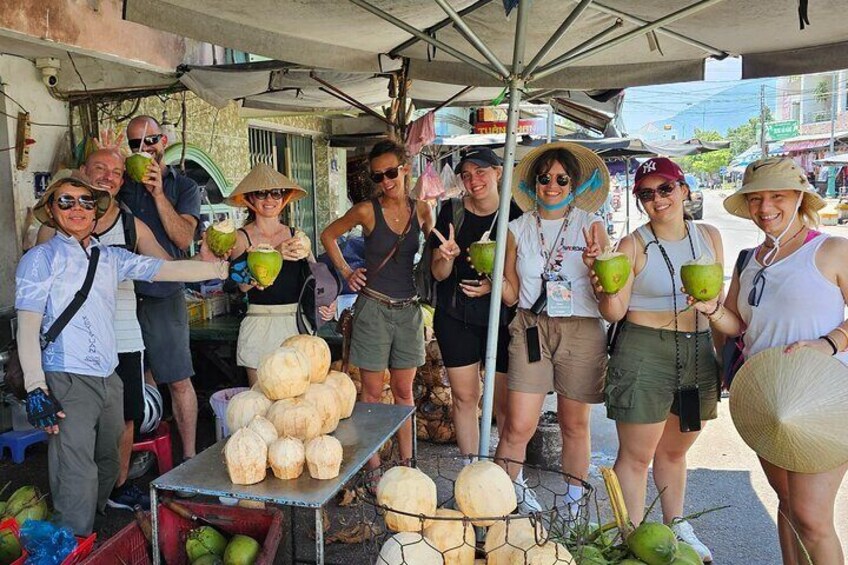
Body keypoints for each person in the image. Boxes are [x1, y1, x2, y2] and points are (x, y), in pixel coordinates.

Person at [15, 170, 227, 536]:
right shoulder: (40, 259)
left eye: (86, 202)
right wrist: (37, 388)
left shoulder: (110, 257)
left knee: (109, 460)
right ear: (51, 209)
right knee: (75, 466)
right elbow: (28, 327)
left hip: (108, 375)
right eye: (66, 201)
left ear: (97, 212)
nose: (77, 209)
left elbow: (164, 269)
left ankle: (89, 525)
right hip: (66, 374)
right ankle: (74, 537)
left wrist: (216, 267)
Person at [700, 157, 847, 565]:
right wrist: (712, 308)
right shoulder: (749, 259)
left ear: (800, 197)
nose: (765, 208)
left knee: (813, 519)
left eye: (777, 196)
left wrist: (829, 343)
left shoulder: (832, 250)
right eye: (756, 199)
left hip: (823, 400)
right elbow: (735, 324)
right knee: (786, 504)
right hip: (768, 398)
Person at [593, 158, 722, 562]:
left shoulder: (710, 237)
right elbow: (614, 312)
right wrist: (603, 283)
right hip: (643, 349)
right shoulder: (634, 244)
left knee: (674, 452)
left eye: (665, 188)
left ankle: (676, 525)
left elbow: (718, 302)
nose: (657, 199)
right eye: (646, 193)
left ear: (684, 190)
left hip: (698, 349)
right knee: (635, 456)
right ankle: (631, 537)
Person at [36, 149, 171, 511]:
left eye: (115, 172)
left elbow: (164, 266)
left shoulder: (130, 226)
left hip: (123, 334)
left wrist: (211, 265)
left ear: (121, 182)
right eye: (99, 168)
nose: (107, 176)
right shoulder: (54, 229)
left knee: (123, 417)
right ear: (82, 172)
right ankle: (76, 505)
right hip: (72, 345)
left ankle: (116, 486)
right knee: (75, 427)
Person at [494, 142, 610, 514]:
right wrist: (491, 276)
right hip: (531, 327)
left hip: (581, 327)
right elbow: (511, 294)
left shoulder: (592, 226)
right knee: (518, 425)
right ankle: (494, 506)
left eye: (562, 178)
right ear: (533, 184)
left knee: (574, 424)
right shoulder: (516, 228)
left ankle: (574, 510)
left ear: (574, 184)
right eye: (544, 178)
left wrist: (595, 266)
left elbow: (608, 288)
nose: (552, 185)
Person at [321, 139, 434, 469]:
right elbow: (329, 235)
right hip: (373, 308)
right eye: (377, 177)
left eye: (390, 173)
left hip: (409, 310)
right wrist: (346, 271)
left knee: (403, 392)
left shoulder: (424, 209)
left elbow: (435, 250)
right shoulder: (366, 210)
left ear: (405, 169)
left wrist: (446, 250)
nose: (385, 182)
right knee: (371, 394)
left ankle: (408, 463)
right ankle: (371, 468)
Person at [429, 148, 522, 458]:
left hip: (503, 319)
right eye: (466, 175)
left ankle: (509, 479)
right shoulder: (450, 212)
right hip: (455, 316)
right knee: (464, 398)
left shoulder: (517, 216)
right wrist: (445, 257)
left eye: (481, 171)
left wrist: (491, 288)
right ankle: (473, 471)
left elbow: (520, 282)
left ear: (498, 172)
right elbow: (439, 275)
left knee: (505, 405)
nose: (473, 179)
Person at [120, 115, 201, 462]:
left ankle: (190, 457)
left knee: (178, 378)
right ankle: (149, 451)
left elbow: (183, 238)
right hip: (122, 295)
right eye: (135, 145)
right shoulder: (120, 185)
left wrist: (157, 194)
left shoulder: (184, 187)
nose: (144, 150)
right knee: (137, 377)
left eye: (150, 141)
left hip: (163, 295)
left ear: (164, 141)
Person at [225, 163, 333, 385]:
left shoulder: (296, 236)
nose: (269, 199)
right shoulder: (240, 238)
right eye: (261, 193)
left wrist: (326, 302)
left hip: (296, 322)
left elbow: (316, 277)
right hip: (260, 322)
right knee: (261, 398)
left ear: (284, 198)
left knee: (298, 399)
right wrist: (276, 254)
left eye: (276, 192)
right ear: (250, 199)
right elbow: (240, 283)